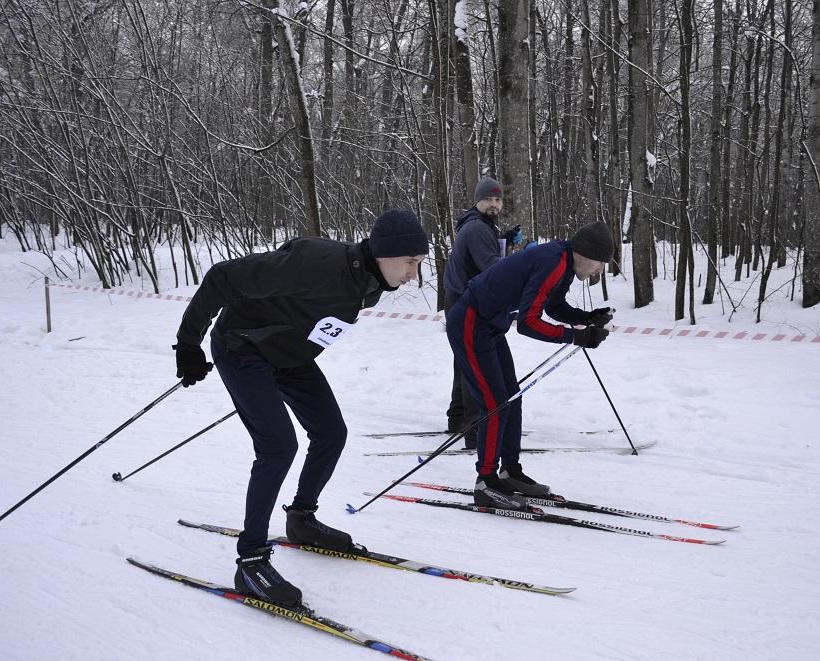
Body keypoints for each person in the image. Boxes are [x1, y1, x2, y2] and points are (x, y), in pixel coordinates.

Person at [173, 210, 429, 607]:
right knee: (277, 447)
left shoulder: (372, 283)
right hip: (244, 349)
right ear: (382, 252)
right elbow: (222, 277)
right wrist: (189, 344)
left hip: (288, 358)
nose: (414, 274)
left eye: (419, 263)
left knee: (331, 433)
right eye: (410, 262)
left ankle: (302, 519)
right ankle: (251, 560)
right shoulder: (318, 264)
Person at [446, 221, 615, 510]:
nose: (600, 270)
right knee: (495, 404)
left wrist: (587, 317)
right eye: (600, 263)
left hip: (490, 325)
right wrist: (576, 336)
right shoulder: (553, 262)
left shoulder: (563, 263)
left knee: (511, 397)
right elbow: (527, 323)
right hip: (470, 322)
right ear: (586, 254)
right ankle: (485, 481)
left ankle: (510, 472)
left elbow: (553, 306)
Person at [443, 177, 521, 447]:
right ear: (478, 200)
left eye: (498, 199)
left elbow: (486, 258)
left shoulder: (479, 225)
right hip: (467, 303)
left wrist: (504, 241)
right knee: (475, 366)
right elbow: (492, 270)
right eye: (488, 199)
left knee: (463, 363)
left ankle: (457, 418)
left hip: (459, 300)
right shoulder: (477, 228)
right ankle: (475, 429)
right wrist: (522, 266)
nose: (494, 204)